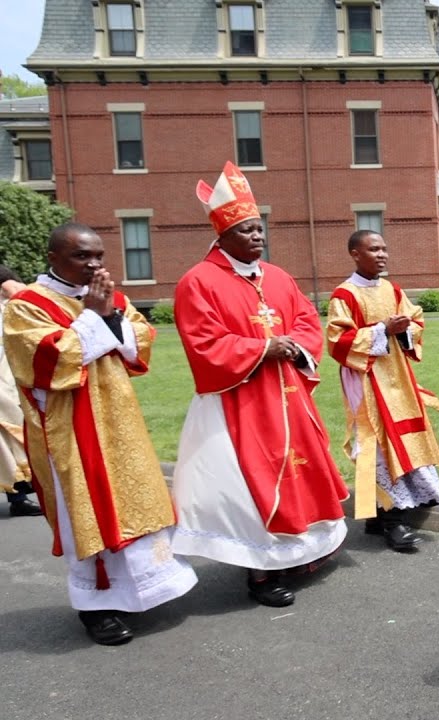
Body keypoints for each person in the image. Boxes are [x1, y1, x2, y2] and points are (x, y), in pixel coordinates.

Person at [2, 224, 197, 645]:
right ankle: (97, 607)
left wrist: (107, 314)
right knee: (84, 514)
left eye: (98, 256)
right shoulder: (27, 306)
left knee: (136, 501)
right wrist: (95, 316)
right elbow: (44, 360)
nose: (93, 265)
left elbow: (142, 339)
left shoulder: (113, 298)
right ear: (52, 257)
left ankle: (143, 590)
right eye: (81, 256)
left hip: (119, 421)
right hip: (66, 429)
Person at [171, 161, 349, 608]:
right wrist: (260, 350)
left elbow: (308, 321)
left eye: (259, 228)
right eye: (247, 230)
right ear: (223, 235)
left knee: (302, 471)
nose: (257, 236)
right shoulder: (198, 281)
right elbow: (203, 342)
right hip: (239, 402)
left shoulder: (278, 276)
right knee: (248, 483)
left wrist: (292, 347)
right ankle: (261, 571)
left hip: (288, 397)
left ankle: (300, 554)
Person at [327, 230, 439, 552]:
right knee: (378, 444)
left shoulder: (392, 289)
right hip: (365, 380)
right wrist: (382, 330)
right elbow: (337, 342)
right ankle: (394, 520)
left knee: (403, 436)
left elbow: (415, 320)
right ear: (355, 253)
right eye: (374, 249)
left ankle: (376, 517)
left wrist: (406, 329)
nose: (382, 255)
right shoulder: (345, 294)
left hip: (397, 376)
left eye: (384, 249)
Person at [0, 265, 40, 517]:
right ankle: (20, 495)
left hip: (10, 377)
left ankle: (21, 494)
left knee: (12, 437)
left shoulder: (11, 307)